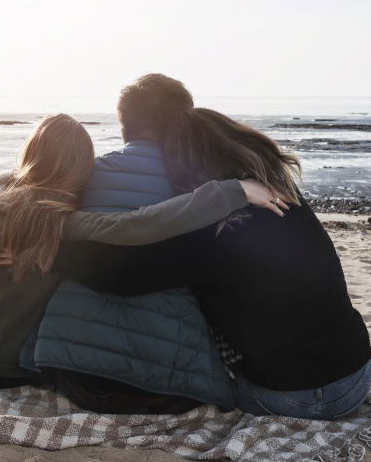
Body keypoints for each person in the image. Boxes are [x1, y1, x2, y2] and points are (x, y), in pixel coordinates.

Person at [51, 107, 371, 421]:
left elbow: (124, 278)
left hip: (294, 398)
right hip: (357, 375)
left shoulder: (210, 230)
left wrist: (51, 254)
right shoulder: (280, 194)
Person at [0, 111, 292, 388]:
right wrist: (230, 193)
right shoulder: (50, 221)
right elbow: (133, 225)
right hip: (0, 369)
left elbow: (31, 179)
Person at [25, 76, 269, 413]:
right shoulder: (197, 187)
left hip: (70, 376)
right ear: (185, 123)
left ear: (123, 122)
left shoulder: (85, 176)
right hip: (162, 390)